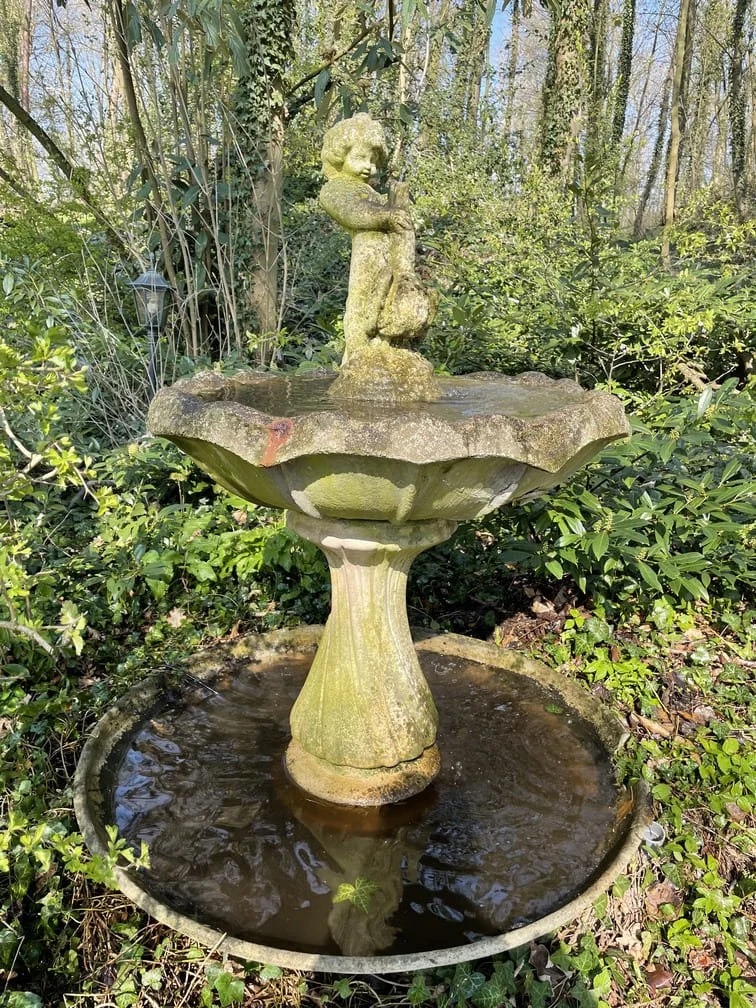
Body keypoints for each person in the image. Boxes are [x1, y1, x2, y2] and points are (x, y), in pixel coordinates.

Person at [320, 114, 432, 364]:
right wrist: (385, 214)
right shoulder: (336, 188)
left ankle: (386, 347)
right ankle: (357, 359)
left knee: (386, 305)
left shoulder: (371, 193)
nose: (369, 166)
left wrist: (397, 205)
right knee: (361, 310)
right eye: (360, 158)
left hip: (389, 260)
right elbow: (353, 213)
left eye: (373, 160)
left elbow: (393, 218)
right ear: (340, 157)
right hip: (367, 258)